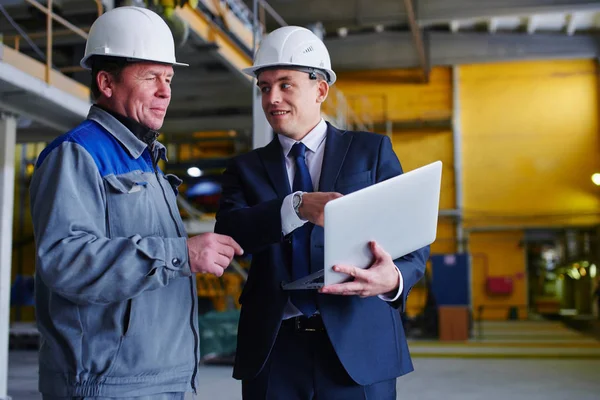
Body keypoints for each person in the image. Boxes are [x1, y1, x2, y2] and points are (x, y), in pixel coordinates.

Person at [29, 6, 243, 399]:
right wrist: (181, 254)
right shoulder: (76, 155)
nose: (165, 91)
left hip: (160, 380)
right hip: (107, 385)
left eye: (169, 78)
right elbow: (65, 260)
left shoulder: (147, 161)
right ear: (106, 82)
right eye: (150, 77)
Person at [214, 26, 429, 399]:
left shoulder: (371, 152)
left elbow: (411, 243)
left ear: (320, 89)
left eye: (285, 85)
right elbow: (232, 235)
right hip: (275, 351)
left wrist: (392, 280)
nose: (272, 99)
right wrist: (292, 207)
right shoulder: (243, 168)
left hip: (358, 349)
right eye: (264, 87)